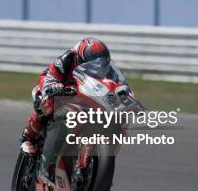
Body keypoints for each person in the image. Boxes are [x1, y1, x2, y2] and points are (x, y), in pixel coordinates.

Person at [20, 37, 127, 180]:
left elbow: (117, 85)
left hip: (84, 94)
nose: (97, 67)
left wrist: (127, 99)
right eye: (92, 64)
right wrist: (53, 87)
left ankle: (92, 167)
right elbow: (50, 76)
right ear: (79, 58)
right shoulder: (67, 59)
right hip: (57, 87)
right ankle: (29, 137)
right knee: (47, 104)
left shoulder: (110, 69)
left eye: (100, 63)